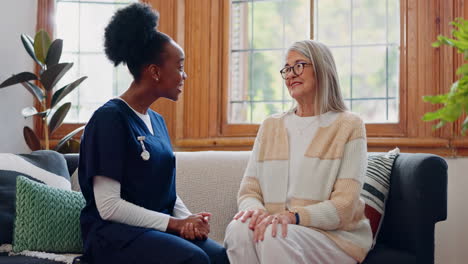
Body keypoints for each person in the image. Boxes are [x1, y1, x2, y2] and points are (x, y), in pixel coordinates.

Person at [78, 3, 228, 264]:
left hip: (155, 230)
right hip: (115, 236)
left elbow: (166, 194)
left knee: (218, 256)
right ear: (155, 72)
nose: (185, 75)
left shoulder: (157, 121)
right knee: (194, 259)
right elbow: (109, 206)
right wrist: (175, 224)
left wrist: (188, 220)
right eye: (179, 66)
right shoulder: (109, 119)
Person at [223, 40, 373, 264]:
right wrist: (255, 211)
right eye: (287, 68)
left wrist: (293, 217)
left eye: (299, 65)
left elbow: (345, 205)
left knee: (275, 235)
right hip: (282, 228)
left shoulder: (348, 125)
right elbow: (249, 191)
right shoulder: (270, 126)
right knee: (238, 229)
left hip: (334, 237)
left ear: (322, 69)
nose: (291, 74)